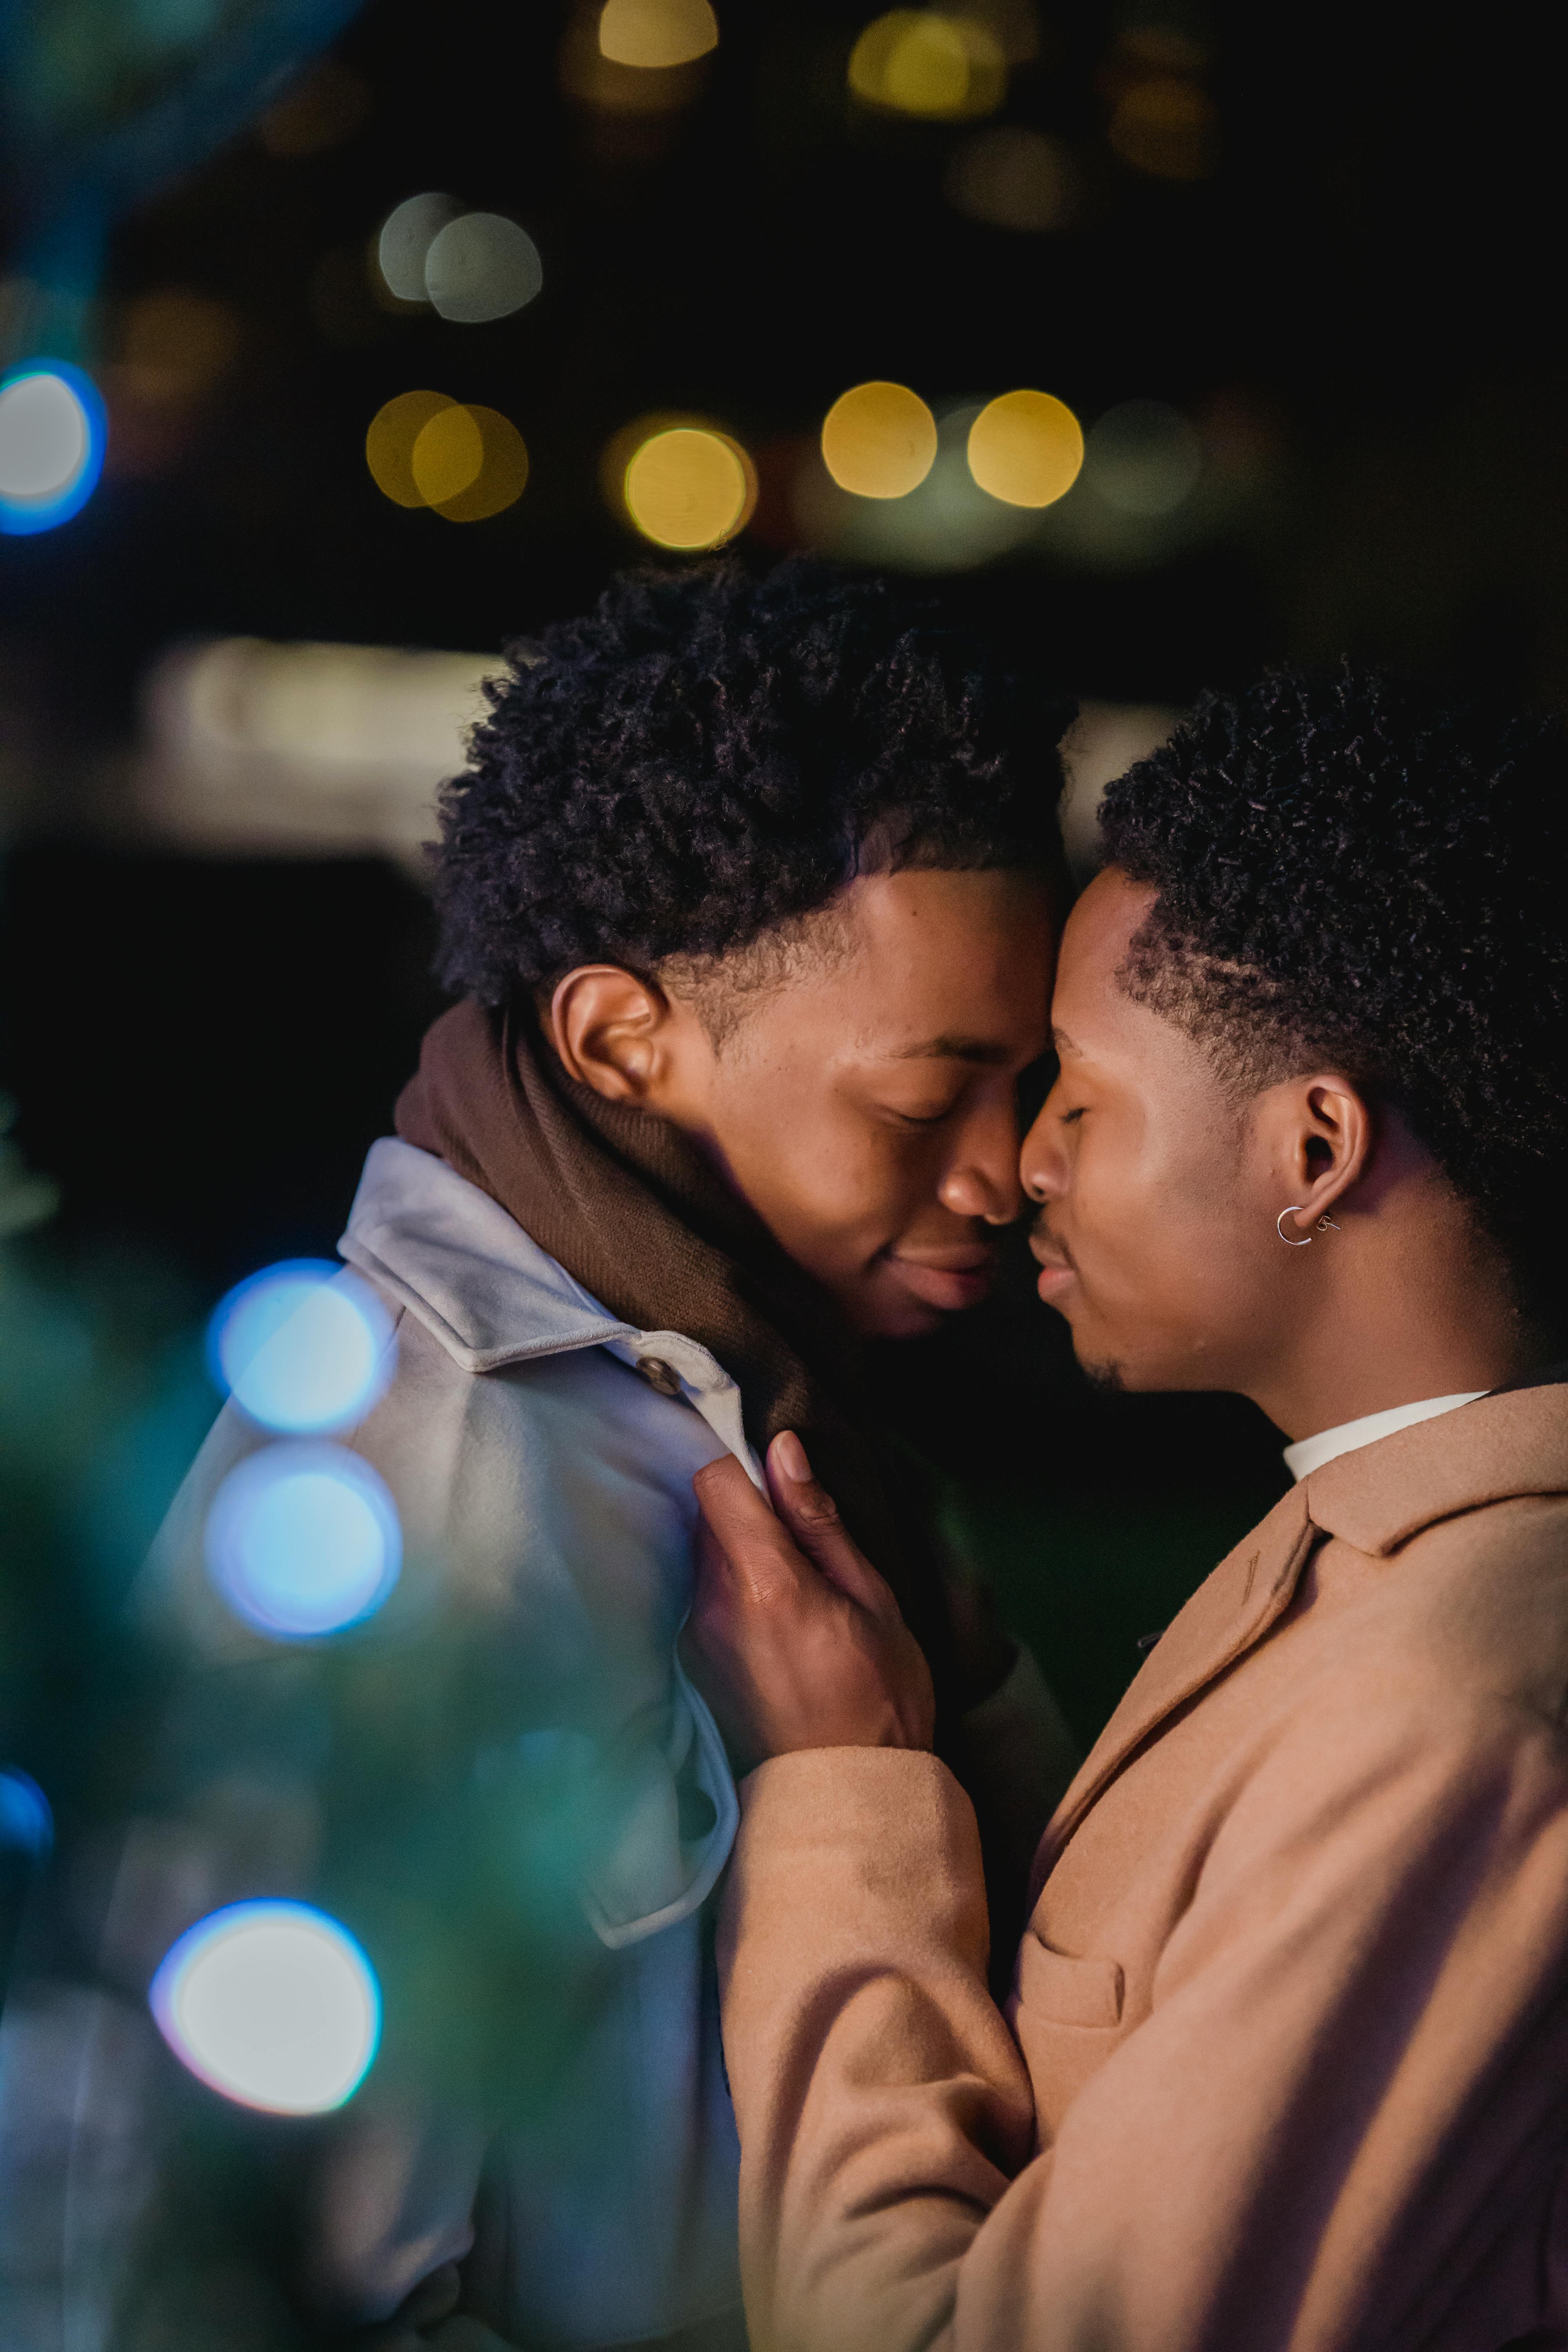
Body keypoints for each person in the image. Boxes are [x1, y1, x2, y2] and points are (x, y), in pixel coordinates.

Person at [82, 561, 1078, 2352]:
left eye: (1032, 1086)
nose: (1008, 1176)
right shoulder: (422, 1487)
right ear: (623, 1040)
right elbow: (287, 2280)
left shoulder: (794, 1416)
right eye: (929, 1101)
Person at [686, 666, 1568, 2352]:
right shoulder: (1379, 1550)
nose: (1023, 1163)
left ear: (1310, 1151)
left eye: (1079, 1089)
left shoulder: (1446, 1722)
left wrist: (843, 1795)